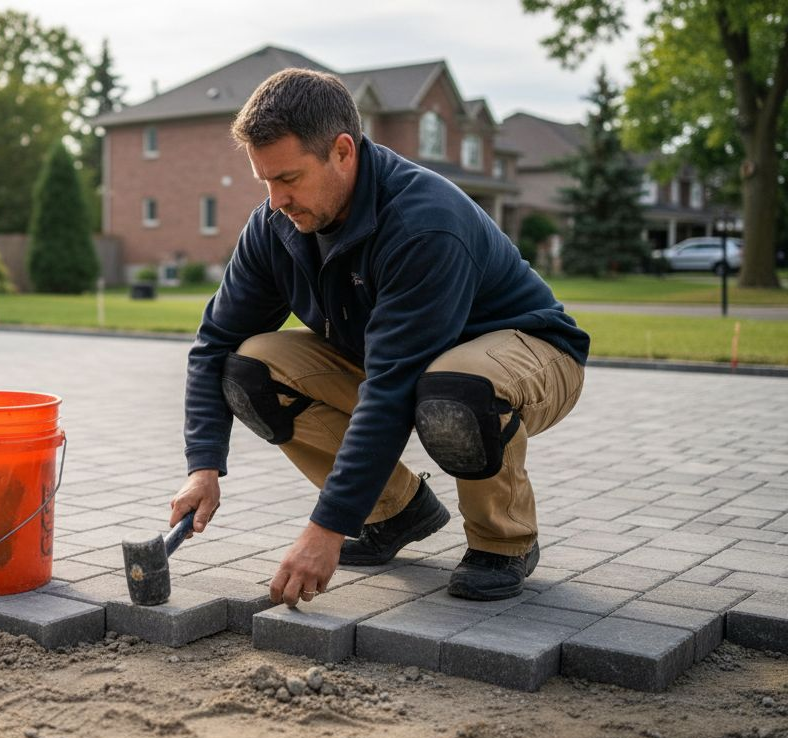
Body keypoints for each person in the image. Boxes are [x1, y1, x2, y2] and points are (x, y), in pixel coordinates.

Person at [168, 68, 589, 607]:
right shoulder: (273, 228)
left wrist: (326, 528)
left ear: (343, 151)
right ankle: (395, 511)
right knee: (248, 369)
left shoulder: (422, 223)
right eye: (265, 182)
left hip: (530, 355)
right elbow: (215, 343)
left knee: (457, 390)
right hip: (412, 366)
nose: (276, 201)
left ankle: (502, 541)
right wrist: (202, 466)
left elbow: (391, 388)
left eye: (289, 179)